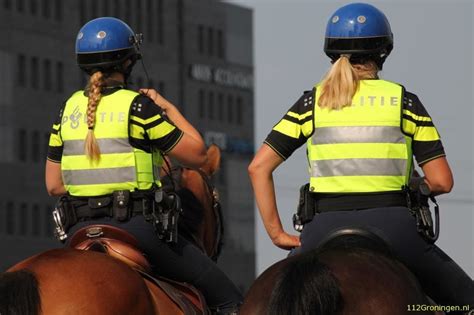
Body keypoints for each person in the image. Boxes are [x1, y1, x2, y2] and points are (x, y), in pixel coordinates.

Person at [248, 2, 473, 310]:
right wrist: (419, 186)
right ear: (383, 51)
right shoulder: (404, 102)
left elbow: (258, 167)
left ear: (331, 52)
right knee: (466, 301)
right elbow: (443, 181)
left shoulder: (310, 104)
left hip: (321, 226)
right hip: (394, 226)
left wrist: (276, 233)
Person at [45, 17, 242, 314]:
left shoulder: (66, 111)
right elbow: (199, 156)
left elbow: (54, 185)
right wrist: (169, 108)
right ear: (128, 63)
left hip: (80, 229)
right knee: (229, 299)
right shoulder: (138, 107)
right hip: (136, 228)